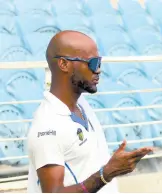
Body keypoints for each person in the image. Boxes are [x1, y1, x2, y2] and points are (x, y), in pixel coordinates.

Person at [26, 30, 153, 193]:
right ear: (64, 64)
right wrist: (106, 174)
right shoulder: (47, 127)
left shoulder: (81, 104)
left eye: (99, 62)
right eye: (92, 63)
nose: (98, 70)